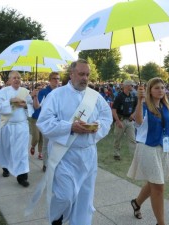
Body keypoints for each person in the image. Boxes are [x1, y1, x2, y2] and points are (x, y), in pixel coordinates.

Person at [36, 59, 113, 225]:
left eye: (87, 75)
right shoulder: (56, 95)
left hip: (88, 154)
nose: (85, 78)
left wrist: (96, 126)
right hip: (65, 154)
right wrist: (70, 127)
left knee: (84, 199)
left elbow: (106, 117)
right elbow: (44, 122)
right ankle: (56, 218)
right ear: (71, 74)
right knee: (65, 196)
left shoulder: (95, 97)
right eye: (81, 74)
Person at [127, 77, 169, 225]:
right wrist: (139, 101)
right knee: (159, 187)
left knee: (154, 182)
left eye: (162, 87)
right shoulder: (143, 106)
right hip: (148, 149)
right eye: (156, 88)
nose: (160, 90)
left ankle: (136, 203)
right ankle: (161, 223)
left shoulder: (168, 107)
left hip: (165, 150)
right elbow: (138, 122)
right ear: (149, 90)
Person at [0, 71, 33, 187]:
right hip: (7, 125)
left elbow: (31, 106)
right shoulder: (3, 92)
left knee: (22, 152)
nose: (17, 80)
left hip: (21, 126)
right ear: (10, 80)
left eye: (19, 78)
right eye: (14, 78)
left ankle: (22, 177)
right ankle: (6, 167)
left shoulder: (25, 92)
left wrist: (25, 105)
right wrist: (10, 101)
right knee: (6, 149)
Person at [35, 72, 60, 172]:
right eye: (54, 78)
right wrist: (35, 96)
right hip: (48, 121)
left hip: (58, 121)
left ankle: (55, 163)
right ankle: (45, 163)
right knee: (46, 143)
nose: (56, 80)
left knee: (57, 144)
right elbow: (37, 106)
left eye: (58, 78)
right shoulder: (44, 92)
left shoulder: (61, 92)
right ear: (49, 80)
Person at [112, 80, 137, 160]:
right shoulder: (119, 96)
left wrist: (133, 114)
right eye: (131, 85)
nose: (133, 87)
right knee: (118, 138)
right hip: (121, 120)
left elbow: (137, 107)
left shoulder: (133, 96)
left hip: (130, 121)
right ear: (127, 86)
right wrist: (118, 121)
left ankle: (134, 156)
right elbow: (114, 110)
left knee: (132, 139)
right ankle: (116, 153)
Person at [28, 83, 43, 159]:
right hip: (34, 118)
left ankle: (40, 153)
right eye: (38, 88)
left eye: (41, 88)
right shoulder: (31, 96)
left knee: (42, 137)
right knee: (36, 137)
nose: (39, 90)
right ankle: (33, 146)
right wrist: (34, 96)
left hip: (42, 119)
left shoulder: (44, 95)